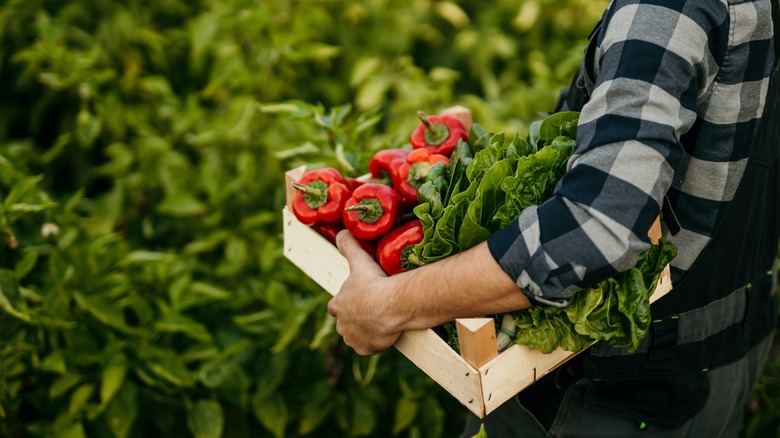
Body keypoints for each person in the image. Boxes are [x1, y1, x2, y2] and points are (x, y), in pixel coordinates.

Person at [327, 0, 779, 436]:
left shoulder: (667, 8)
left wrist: (385, 306)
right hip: (725, 360)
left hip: (614, 395)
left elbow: (596, 224)